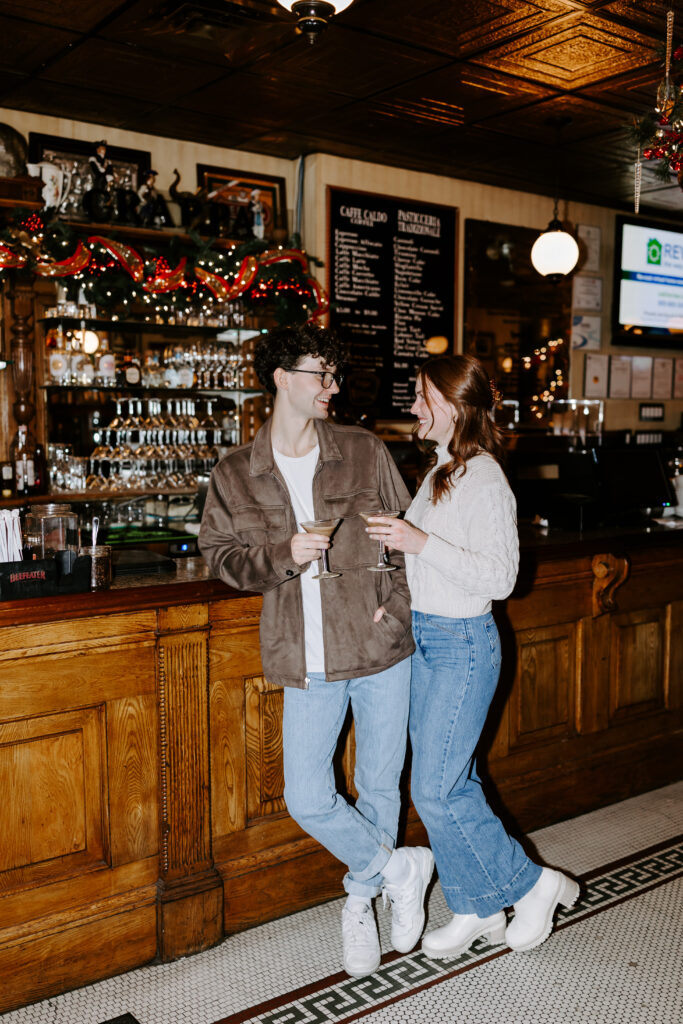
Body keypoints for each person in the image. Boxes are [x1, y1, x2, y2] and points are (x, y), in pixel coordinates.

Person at [199, 324, 434, 978]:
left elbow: (410, 534)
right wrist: (283, 554)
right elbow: (220, 558)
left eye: (334, 376)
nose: (331, 387)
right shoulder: (234, 473)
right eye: (319, 375)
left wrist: (401, 607)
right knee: (307, 795)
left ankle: (360, 903)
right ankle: (395, 869)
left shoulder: (362, 450)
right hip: (302, 652)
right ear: (280, 377)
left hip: (381, 642)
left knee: (378, 784)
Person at [366, 354, 579, 959]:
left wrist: (419, 540)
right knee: (453, 780)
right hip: (428, 639)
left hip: (463, 645)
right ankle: (476, 903)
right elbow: (425, 565)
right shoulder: (440, 469)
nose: (412, 408)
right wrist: (398, 602)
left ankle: (536, 884)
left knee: (435, 788)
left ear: (453, 405)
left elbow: (501, 577)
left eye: (421, 398)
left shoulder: (484, 478)